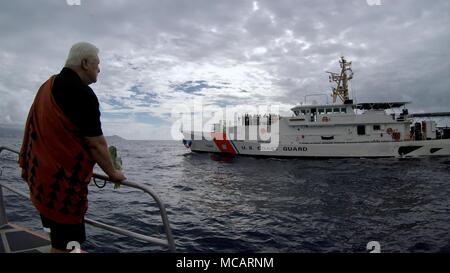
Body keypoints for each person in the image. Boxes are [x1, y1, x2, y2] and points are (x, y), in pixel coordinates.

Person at [18, 42, 126, 253]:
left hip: (40, 177)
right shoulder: (82, 93)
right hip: (62, 187)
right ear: (85, 63)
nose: (99, 69)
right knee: (66, 246)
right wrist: (112, 172)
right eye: (97, 64)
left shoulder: (48, 86)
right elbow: (95, 144)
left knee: (58, 240)